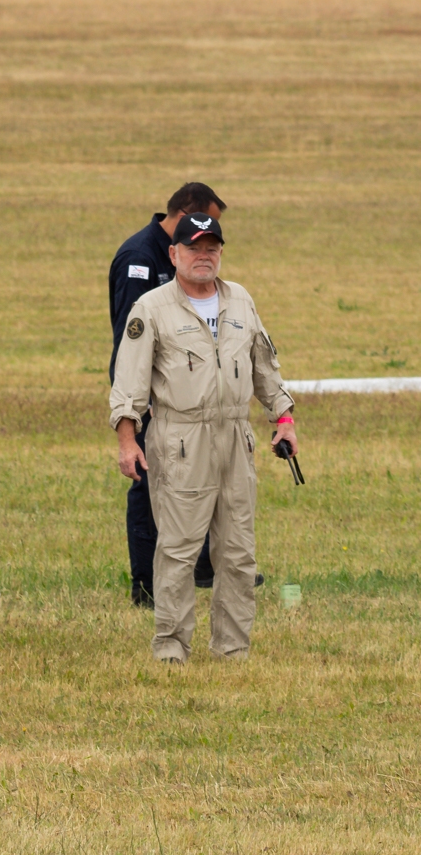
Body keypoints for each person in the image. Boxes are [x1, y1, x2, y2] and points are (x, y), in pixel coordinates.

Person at [111, 214, 295, 663]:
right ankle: (171, 650)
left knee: (237, 551)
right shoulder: (151, 308)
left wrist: (283, 419)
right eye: (194, 248)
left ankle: (233, 649)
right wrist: (127, 440)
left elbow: (264, 366)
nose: (204, 255)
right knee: (177, 548)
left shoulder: (241, 301)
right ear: (173, 254)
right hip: (179, 439)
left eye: (212, 247)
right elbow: (129, 382)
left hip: (236, 435)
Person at [110, 183, 226, 606]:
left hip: (189, 399)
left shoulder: (179, 257)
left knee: (203, 479)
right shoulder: (139, 258)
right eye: (204, 225)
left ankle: (208, 568)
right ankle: (147, 587)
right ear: (185, 217)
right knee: (148, 488)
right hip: (151, 401)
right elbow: (132, 340)